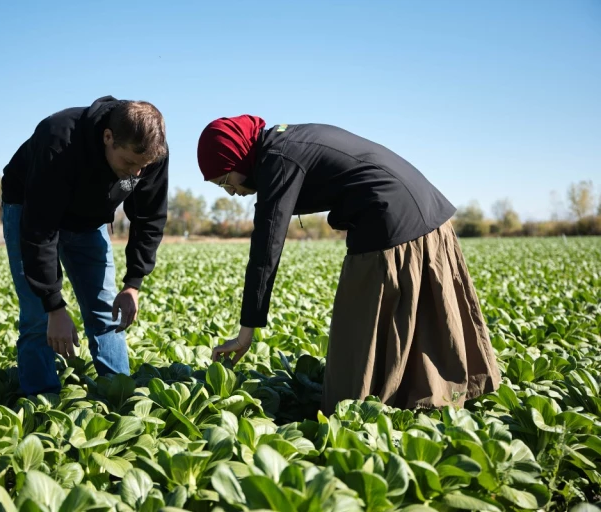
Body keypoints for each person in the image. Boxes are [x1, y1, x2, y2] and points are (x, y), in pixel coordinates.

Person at [197, 115, 501, 414]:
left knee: (356, 341)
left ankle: (369, 410)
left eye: (226, 181)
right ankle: (422, 397)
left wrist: (246, 332)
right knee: (413, 323)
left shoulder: (277, 158)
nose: (231, 192)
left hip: (392, 222)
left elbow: (265, 248)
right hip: (423, 215)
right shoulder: (284, 143)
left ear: (238, 156)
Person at [0, 95, 169, 396]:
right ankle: (40, 402)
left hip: (88, 219)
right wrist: (54, 306)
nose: (136, 173)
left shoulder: (149, 155)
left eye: (143, 166)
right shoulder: (59, 139)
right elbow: (39, 230)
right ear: (108, 137)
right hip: (29, 208)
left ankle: (118, 396)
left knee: (106, 311)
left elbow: (149, 218)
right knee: (37, 316)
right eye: (129, 163)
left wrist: (133, 283)